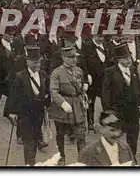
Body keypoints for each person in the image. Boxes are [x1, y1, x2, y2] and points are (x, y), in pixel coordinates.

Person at [7, 46, 51, 166]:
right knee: (28, 142)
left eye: (39, 61)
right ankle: (29, 165)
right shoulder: (20, 76)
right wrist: (12, 112)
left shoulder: (44, 75)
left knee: (35, 139)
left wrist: (48, 104)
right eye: (34, 61)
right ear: (27, 62)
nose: (37, 64)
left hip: (39, 113)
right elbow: (13, 95)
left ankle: (32, 162)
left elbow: (48, 92)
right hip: (25, 114)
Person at [48, 37, 88, 165]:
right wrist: (62, 103)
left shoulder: (79, 71)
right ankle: (62, 155)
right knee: (60, 134)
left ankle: (81, 159)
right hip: (63, 108)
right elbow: (53, 91)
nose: (74, 60)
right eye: (71, 57)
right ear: (64, 58)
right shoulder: (57, 73)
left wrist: (84, 96)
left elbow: (81, 88)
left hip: (78, 106)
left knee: (81, 135)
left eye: (75, 57)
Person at [101, 43, 140, 159]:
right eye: (125, 58)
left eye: (129, 57)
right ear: (118, 60)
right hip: (118, 111)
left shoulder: (133, 70)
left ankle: (132, 157)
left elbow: (138, 88)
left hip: (133, 111)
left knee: (133, 137)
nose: (128, 60)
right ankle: (116, 158)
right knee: (116, 136)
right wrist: (108, 112)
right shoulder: (110, 72)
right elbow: (105, 93)